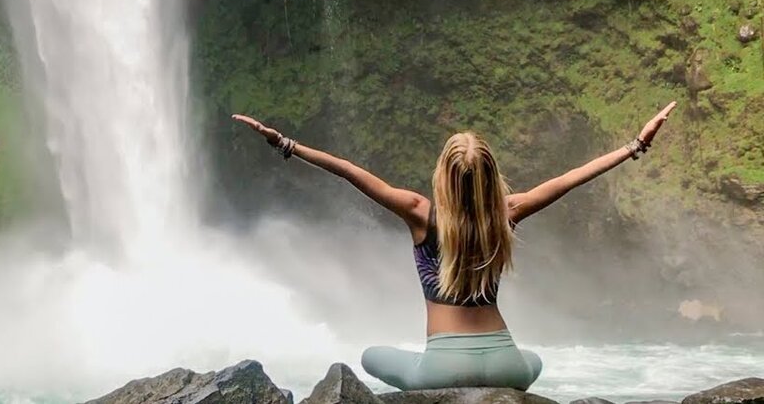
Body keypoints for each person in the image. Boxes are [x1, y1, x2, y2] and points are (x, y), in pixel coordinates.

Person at [232, 101, 677, 391]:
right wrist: (636, 145)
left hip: (441, 368)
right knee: (533, 363)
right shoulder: (506, 213)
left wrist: (283, 142)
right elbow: (571, 178)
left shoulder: (420, 213)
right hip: (507, 363)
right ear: (489, 175)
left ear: (443, 174)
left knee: (371, 357)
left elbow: (349, 170)